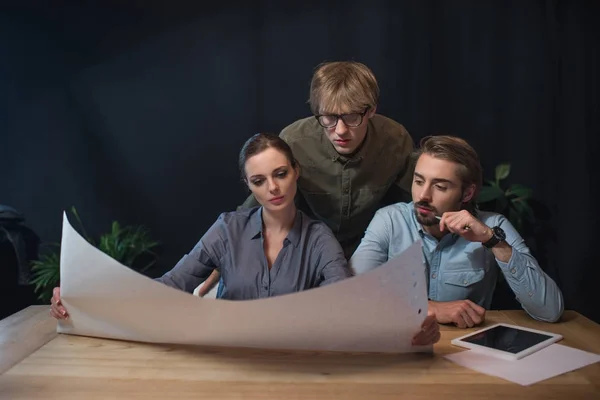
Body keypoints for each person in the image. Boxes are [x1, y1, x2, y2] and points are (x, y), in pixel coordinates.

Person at [50, 133, 440, 346]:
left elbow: (344, 305)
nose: (273, 187)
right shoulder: (227, 228)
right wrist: (88, 298)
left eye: (281, 174)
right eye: (259, 180)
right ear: (248, 186)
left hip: (294, 366)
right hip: (224, 359)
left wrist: (411, 327)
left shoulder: (319, 237)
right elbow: (170, 286)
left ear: (296, 172)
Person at [200, 60, 415, 296]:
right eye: (328, 118)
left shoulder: (396, 140)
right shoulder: (295, 140)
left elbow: (411, 209)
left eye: (352, 117)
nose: (340, 130)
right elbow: (255, 208)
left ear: (371, 110)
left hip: (368, 256)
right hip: (304, 255)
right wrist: (218, 264)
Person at [349, 135, 564, 328]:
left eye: (440, 187)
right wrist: (429, 308)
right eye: (418, 181)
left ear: (467, 193)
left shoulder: (493, 226)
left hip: (466, 352)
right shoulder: (389, 220)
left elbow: (550, 311)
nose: (423, 195)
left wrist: (492, 241)